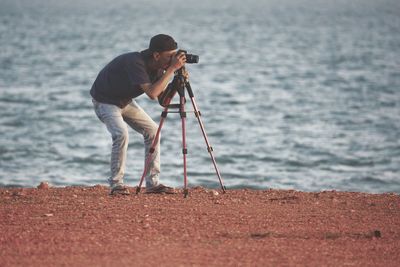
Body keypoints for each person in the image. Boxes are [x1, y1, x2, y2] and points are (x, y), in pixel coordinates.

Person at [90, 34, 187, 195]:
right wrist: (171, 70)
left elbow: (163, 100)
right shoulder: (135, 62)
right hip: (105, 101)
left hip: (124, 101)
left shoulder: (158, 68)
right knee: (121, 134)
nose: (173, 60)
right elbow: (152, 93)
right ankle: (116, 185)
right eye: (169, 56)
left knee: (153, 131)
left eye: (174, 56)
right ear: (156, 55)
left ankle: (152, 184)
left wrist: (176, 82)